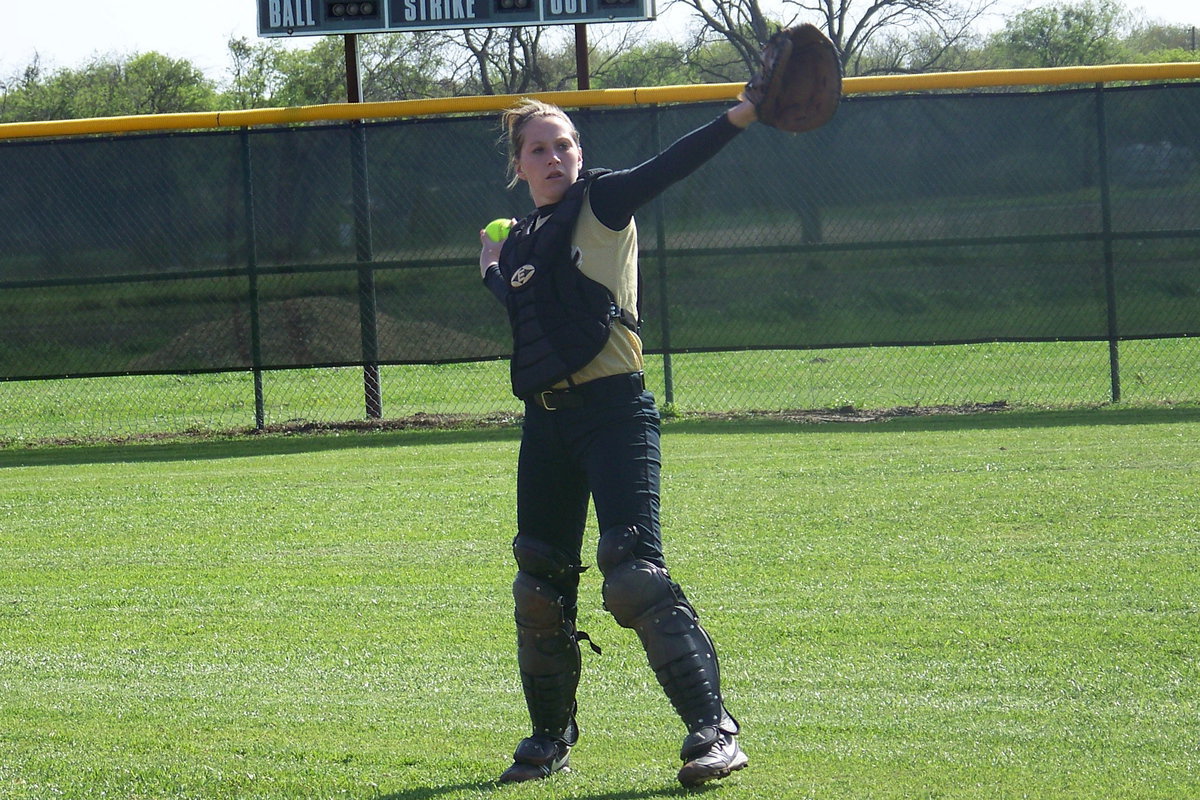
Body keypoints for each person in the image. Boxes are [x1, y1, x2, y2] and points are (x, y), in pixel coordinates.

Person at [477, 96, 759, 788]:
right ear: (517, 166)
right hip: (545, 423)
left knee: (632, 571)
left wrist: (741, 116)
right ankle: (550, 736)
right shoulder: (519, 240)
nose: (556, 158)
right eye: (539, 149)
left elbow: (671, 164)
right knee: (539, 584)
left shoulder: (602, 201)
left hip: (613, 412)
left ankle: (714, 730)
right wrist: (492, 266)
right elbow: (537, 315)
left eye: (565, 145)